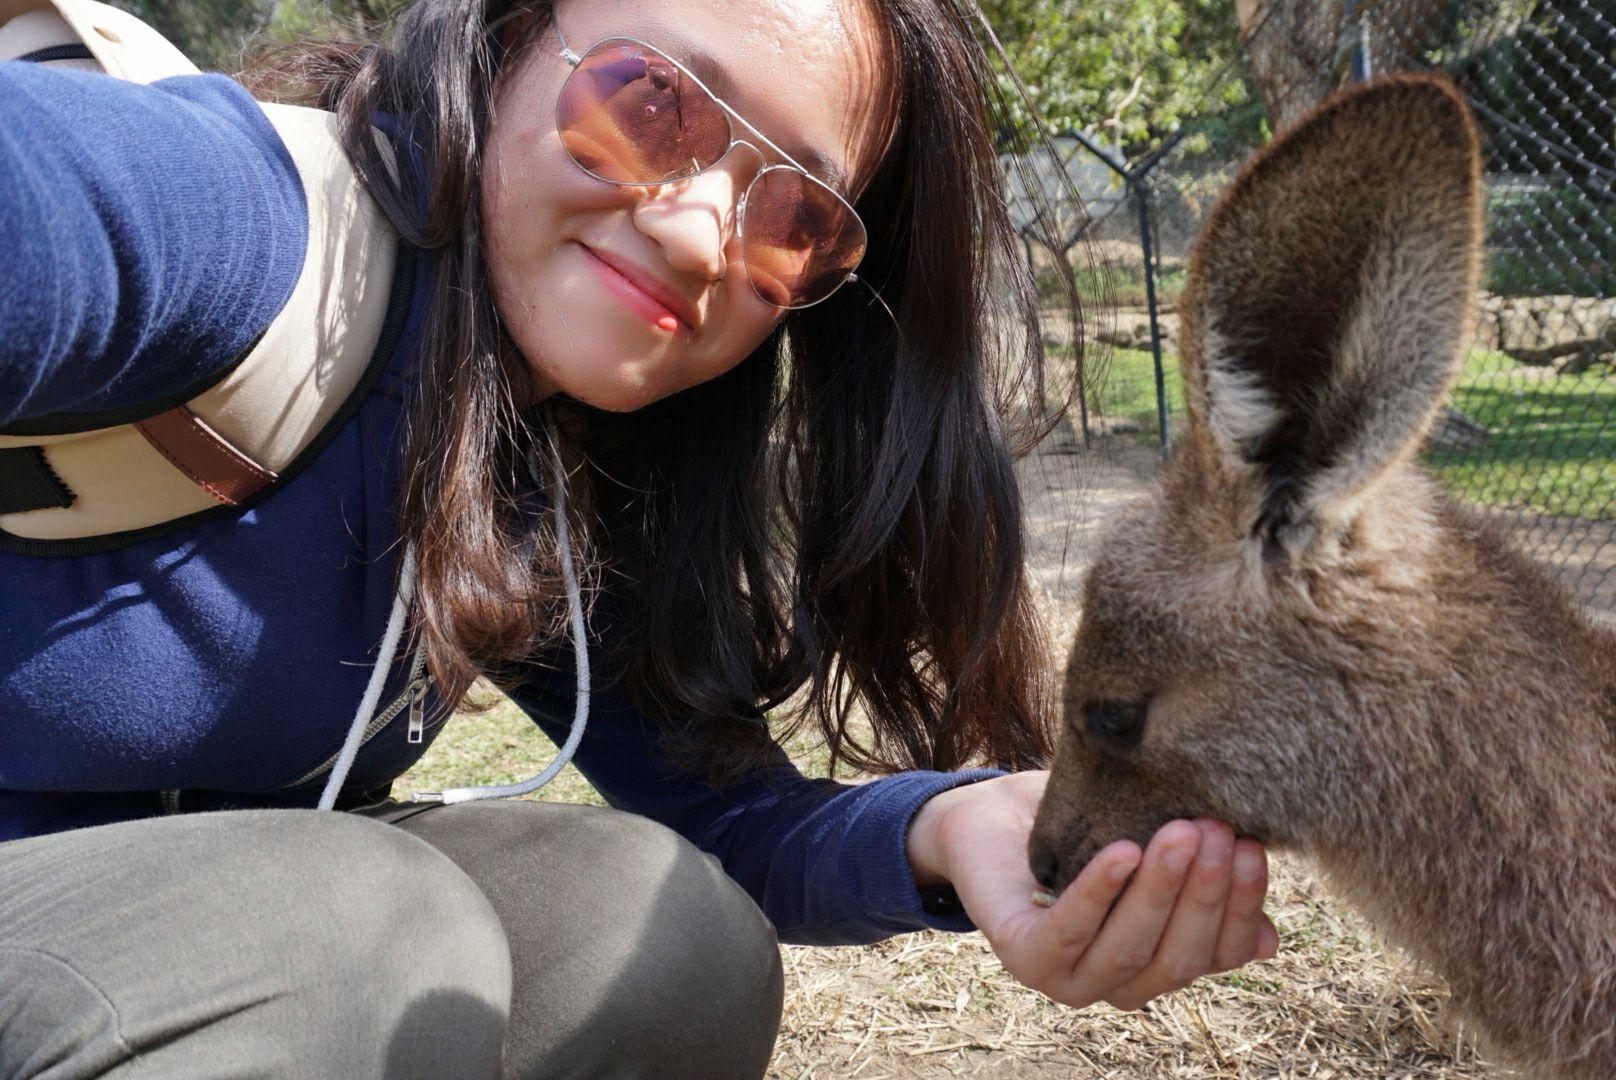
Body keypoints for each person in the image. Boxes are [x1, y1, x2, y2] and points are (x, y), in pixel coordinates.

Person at [0, 0, 1278, 1075]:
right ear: (508, 44)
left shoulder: (536, 453)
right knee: (353, 926)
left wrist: (948, 829)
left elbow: (721, 814)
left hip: (113, 926)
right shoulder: (227, 219)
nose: (693, 232)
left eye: (792, 214)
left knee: (662, 937)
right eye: (651, 103)